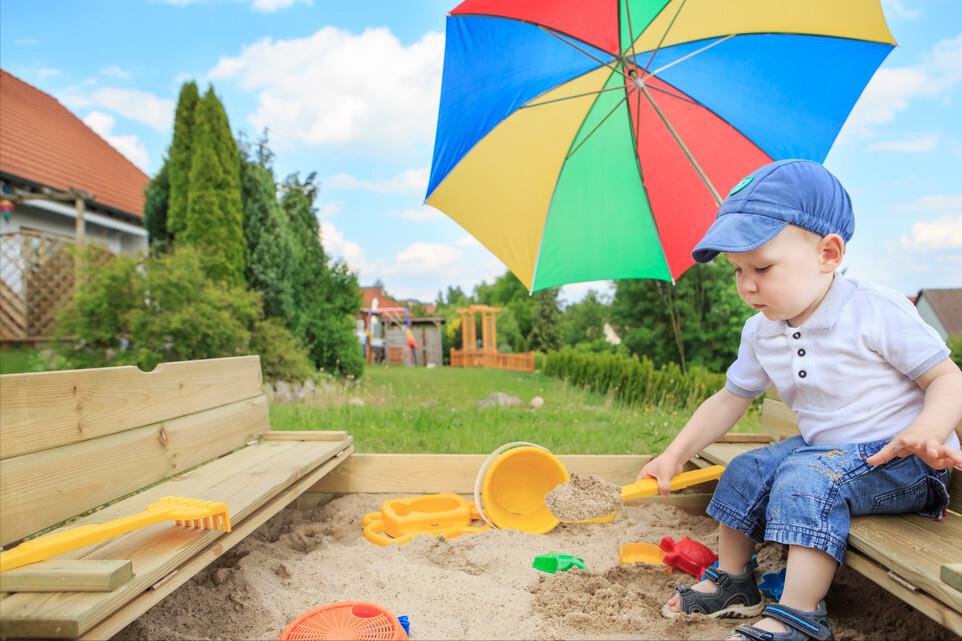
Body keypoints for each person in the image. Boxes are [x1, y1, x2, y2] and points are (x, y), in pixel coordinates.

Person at [638, 159, 962, 641]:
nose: (747, 285)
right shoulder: (762, 330)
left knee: (807, 477)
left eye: (762, 268)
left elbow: (946, 378)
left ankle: (800, 616)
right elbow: (731, 398)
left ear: (828, 253)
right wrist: (674, 455)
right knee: (746, 469)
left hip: (902, 461)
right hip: (825, 452)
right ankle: (735, 581)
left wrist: (929, 432)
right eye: (738, 271)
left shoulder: (874, 309)